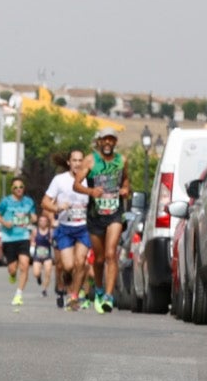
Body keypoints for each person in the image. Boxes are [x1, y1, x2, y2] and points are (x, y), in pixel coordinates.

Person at [80, 127, 132, 313]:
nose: (108, 142)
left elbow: (126, 182)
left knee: (111, 254)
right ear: (100, 142)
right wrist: (90, 191)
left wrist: (126, 191)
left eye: (112, 139)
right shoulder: (90, 160)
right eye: (105, 139)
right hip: (95, 214)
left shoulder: (122, 161)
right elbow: (76, 184)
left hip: (115, 213)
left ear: (115, 142)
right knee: (100, 258)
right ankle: (100, 289)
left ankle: (109, 297)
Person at [42, 149, 93, 310]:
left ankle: (74, 296)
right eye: (74, 160)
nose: (77, 164)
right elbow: (45, 202)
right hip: (65, 228)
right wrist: (57, 208)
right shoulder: (59, 180)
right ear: (69, 163)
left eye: (80, 160)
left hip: (84, 228)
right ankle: (66, 281)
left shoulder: (89, 180)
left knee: (80, 262)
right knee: (68, 266)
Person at [0, 177, 36, 306]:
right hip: (9, 238)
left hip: (23, 236)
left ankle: (19, 294)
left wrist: (33, 218)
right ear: (12, 189)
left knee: (24, 264)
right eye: (16, 187)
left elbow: (34, 216)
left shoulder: (29, 202)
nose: (19, 189)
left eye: (21, 187)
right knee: (12, 269)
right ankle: (12, 275)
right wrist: (4, 222)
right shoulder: (5, 202)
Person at [30, 213, 55, 296]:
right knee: (36, 273)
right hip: (37, 255)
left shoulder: (50, 231)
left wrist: (52, 241)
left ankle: (44, 289)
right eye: (41, 221)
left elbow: (53, 242)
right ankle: (38, 277)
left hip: (47, 255)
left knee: (48, 272)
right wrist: (32, 247)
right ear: (38, 222)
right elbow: (32, 241)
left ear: (47, 222)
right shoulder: (35, 231)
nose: (43, 222)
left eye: (45, 221)